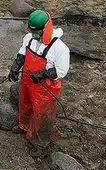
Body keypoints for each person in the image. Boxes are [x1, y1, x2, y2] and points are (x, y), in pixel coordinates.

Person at [7, 10, 70, 151]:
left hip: (45, 86)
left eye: (37, 33)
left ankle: (40, 142)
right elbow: (23, 52)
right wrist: (16, 66)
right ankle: (25, 126)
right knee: (25, 103)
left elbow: (61, 71)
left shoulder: (60, 48)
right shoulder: (29, 38)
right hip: (28, 80)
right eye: (32, 32)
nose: (34, 36)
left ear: (45, 29)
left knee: (42, 114)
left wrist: (42, 74)